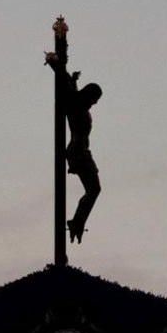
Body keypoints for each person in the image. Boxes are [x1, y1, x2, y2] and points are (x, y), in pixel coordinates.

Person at [45, 48, 104, 242]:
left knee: (94, 189)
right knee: (94, 189)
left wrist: (74, 78)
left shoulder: (79, 102)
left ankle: (77, 222)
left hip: (83, 152)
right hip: (79, 153)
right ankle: (77, 222)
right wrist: (56, 64)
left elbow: (70, 85)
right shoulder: (76, 104)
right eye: (94, 99)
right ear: (89, 96)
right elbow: (64, 83)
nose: (95, 104)